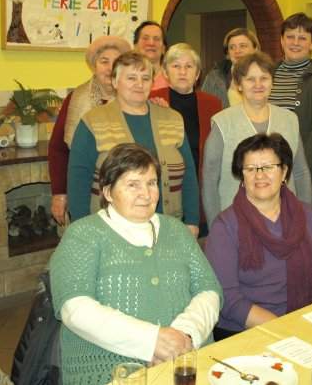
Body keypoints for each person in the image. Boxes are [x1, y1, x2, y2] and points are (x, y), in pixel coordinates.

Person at [51, 144, 222, 385]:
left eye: (151, 183)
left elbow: (209, 289)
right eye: (133, 184)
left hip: (187, 364)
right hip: (111, 372)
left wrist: (184, 336)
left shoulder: (176, 230)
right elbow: (75, 308)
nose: (146, 194)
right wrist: (152, 341)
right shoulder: (83, 235)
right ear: (108, 192)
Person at [205, 133, 312, 339]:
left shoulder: (306, 216)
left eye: (268, 167)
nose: (260, 175)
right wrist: (284, 329)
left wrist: (311, 321)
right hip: (244, 331)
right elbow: (228, 298)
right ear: (242, 176)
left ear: (284, 171)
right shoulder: (225, 226)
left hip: (304, 321)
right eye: (251, 169)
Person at [67, 51, 200, 236]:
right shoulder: (92, 121)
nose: (139, 84)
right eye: (131, 78)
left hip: (168, 227)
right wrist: (83, 230)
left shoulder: (173, 118)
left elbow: (189, 174)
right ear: (115, 82)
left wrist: (192, 220)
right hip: (111, 232)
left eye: (145, 78)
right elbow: (78, 181)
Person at [202, 51, 312, 227]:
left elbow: (301, 172)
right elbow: (209, 179)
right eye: (250, 79)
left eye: (264, 78)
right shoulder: (222, 123)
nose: (258, 85)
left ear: (272, 82)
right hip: (235, 223)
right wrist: (216, 227)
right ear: (239, 84)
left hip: (284, 220)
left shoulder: (289, 120)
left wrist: (306, 219)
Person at [48, 35, 131, 224]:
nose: (110, 68)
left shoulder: (134, 99)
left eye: (116, 62)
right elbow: (58, 149)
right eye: (104, 61)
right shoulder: (76, 99)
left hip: (126, 190)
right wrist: (59, 193)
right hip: (83, 189)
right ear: (94, 66)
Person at [269, 13, 312, 213]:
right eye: (290, 36)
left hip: (305, 174)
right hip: (268, 172)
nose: (295, 43)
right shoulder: (267, 74)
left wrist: (290, 168)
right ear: (282, 40)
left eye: (302, 38)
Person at [150, 43, 222, 174]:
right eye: (176, 66)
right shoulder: (152, 99)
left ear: (197, 74)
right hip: (162, 177)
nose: (182, 72)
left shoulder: (213, 104)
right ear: (165, 72)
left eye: (189, 66)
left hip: (200, 179)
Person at [201, 27, 260, 108]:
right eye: (232, 47)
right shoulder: (214, 78)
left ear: (255, 49)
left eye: (243, 46)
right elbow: (204, 108)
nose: (237, 51)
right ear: (228, 53)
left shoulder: (267, 75)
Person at [133, 20, 169, 91]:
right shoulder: (127, 80)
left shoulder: (172, 80)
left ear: (163, 49)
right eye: (145, 38)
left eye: (156, 39)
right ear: (135, 46)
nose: (151, 43)